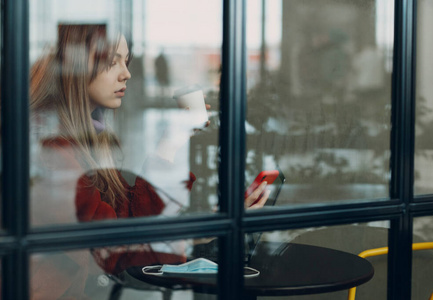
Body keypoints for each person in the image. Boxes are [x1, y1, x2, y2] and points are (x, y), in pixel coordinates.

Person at [29, 24, 270, 299]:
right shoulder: (52, 153)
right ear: (77, 67)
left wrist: (215, 218)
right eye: (112, 62)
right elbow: (116, 251)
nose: (126, 73)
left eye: (126, 61)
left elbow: (127, 219)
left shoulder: (84, 139)